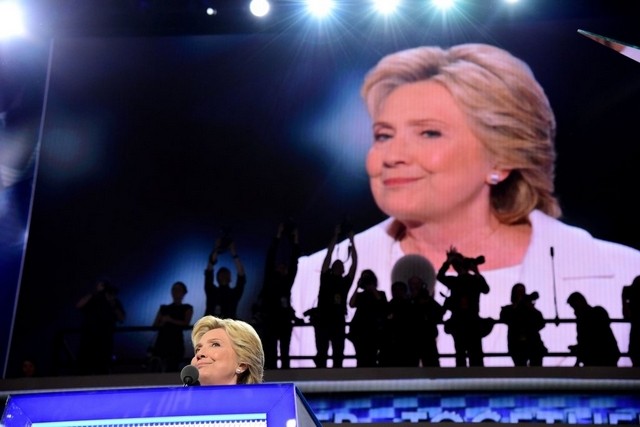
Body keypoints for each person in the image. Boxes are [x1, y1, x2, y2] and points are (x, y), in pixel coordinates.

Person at [290, 43, 640, 367]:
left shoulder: (625, 271)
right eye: (383, 135)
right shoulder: (309, 277)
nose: (391, 156)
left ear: (501, 158)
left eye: (429, 133)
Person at [307, 223, 358, 368]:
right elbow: (328, 256)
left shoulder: (345, 282)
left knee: (338, 352)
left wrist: (352, 241)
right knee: (322, 351)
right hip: (323, 319)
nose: (338, 265)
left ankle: (337, 381)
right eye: (336, 264)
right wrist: (335, 236)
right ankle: (320, 379)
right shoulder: (326, 278)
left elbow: (354, 264)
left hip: (338, 321)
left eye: (340, 265)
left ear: (343, 269)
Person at [255, 221, 301, 369]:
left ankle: (286, 374)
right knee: (270, 351)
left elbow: (294, 263)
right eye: (280, 266)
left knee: (285, 351)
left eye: (284, 266)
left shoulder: (287, 282)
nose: (282, 267)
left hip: (284, 321)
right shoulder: (270, 280)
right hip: (270, 319)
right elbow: (270, 259)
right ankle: (272, 376)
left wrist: (295, 241)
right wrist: (278, 236)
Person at [437, 247, 492, 367]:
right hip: (461, 322)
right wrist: (448, 262)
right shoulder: (456, 281)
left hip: (470, 322)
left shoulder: (468, 280)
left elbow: (486, 289)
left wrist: (476, 272)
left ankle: (475, 379)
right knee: (462, 354)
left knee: (474, 354)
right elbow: (440, 277)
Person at [190, 315, 264, 385]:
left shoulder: (265, 398)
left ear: (242, 365)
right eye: (198, 349)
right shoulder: (180, 397)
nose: (199, 354)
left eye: (215, 344)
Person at [75, 278, 126, 375]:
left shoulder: (114, 301)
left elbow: (122, 318)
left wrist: (112, 303)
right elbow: (79, 305)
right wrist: (95, 293)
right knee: (85, 366)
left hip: (105, 340)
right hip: (89, 338)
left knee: (103, 366)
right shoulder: (92, 298)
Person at [499, 283, 547, 366]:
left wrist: (531, 308)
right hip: (516, 345)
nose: (521, 294)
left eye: (522, 292)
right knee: (520, 369)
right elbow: (504, 318)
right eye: (519, 292)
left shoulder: (530, 309)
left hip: (533, 343)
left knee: (536, 368)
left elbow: (541, 323)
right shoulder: (509, 309)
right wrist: (517, 305)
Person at [567, 292, 620, 367]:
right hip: (607, 356)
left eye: (574, 307)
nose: (574, 311)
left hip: (597, 358)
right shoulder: (597, 313)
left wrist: (578, 350)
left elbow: (589, 341)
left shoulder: (585, 319)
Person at [150, 281, 194, 372]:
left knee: (172, 368)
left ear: (183, 293)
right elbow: (154, 325)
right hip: (161, 341)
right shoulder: (164, 308)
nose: (175, 292)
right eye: (174, 290)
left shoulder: (187, 308)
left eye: (178, 290)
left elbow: (186, 323)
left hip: (176, 342)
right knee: (157, 368)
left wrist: (170, 320)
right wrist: (161, 323)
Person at [347, 269, 388, 367]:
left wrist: (372, 288)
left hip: (374, 331)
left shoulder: (380, 293)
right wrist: (357, 286)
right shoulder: (361, 295)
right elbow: (351, 304)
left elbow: (382, 304)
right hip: (359, 331)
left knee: (372, 357)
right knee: (360, 358)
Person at [204, 236, 246, 319]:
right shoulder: (211, 290)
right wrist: (216, 249)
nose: (223, 276)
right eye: (221, 274)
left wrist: (234, 253)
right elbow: (209, 270)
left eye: (225, 274)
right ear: (217, 278)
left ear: (230, 278)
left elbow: (241, 275)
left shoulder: (234, 293)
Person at [622, 276, 640, 367]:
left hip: (635, 337)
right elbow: (626, 315)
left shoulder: (633, 304)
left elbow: (626, 316)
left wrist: (624, 300)